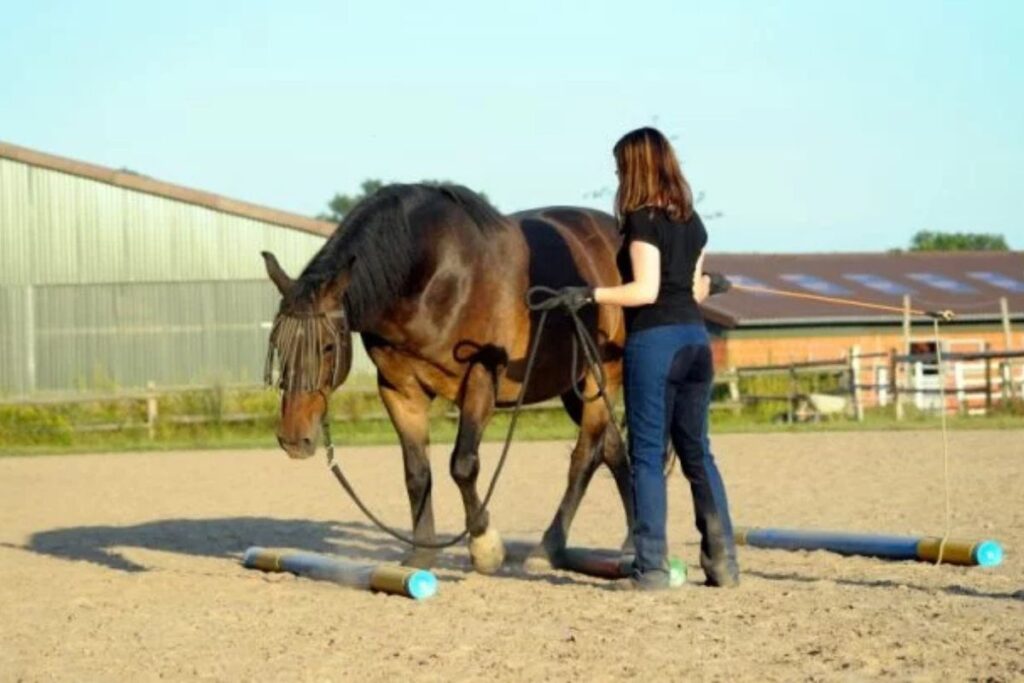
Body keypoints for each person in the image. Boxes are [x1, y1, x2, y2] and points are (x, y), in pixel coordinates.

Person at [557, 127, 740, 590]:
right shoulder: (693, 221)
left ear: (634, 167)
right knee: (698, 453)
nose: (618, 175)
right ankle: (724, 564)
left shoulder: (642, 219)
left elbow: (646, 290)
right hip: (695, 343)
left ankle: (652, 567)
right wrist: (710, 285)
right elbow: (692, 291)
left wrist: (589, 293)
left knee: (646, 458)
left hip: (656, 343)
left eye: (620, 167)